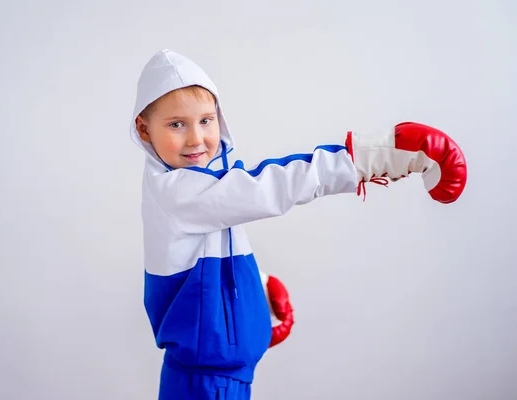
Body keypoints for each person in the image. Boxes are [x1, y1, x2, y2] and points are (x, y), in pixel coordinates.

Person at [129, 49, 467, 399]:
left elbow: (205, 253)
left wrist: (257, 287)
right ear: (144, 129)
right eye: (176, 124)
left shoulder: (197, 187)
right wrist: (363, 159)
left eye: (205, 120)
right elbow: (263, 189)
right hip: (205, 384)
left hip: (216, 377)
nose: (196, 138)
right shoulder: (177, 190)